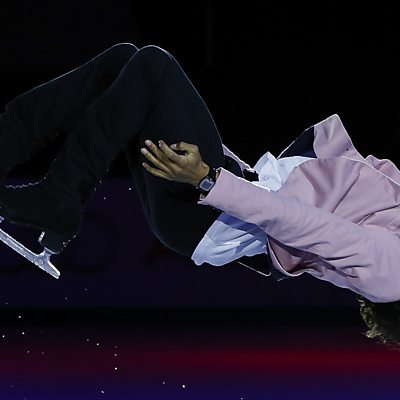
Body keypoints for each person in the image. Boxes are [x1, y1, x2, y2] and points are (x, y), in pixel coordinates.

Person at [0, 43, 399, 348]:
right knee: (124, 63)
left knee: (152, 66)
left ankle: (57, 200)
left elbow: (304, 224)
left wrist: (208, 180)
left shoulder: (392, 273)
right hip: (220, 200)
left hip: (206, 214)